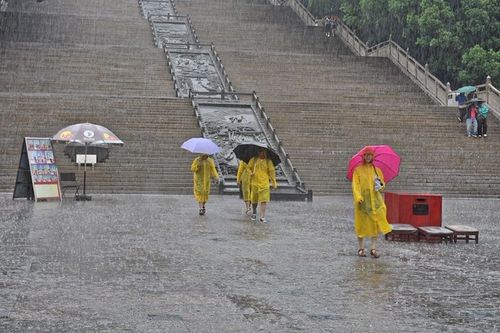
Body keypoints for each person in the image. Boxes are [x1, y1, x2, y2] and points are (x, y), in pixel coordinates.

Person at [351, 147, 392, 258]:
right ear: (363, 156)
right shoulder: (358, 170)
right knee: (361, 224)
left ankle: (373, 248)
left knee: (375, 224)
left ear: (373, 156)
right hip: (363, 202)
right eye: (366, 155)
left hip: (376, 202)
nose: (368, 157)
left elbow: (382, 187)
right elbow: (356, 186)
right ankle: (361, 248)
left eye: (370, 155)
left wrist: (380, 185)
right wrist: (358, 197)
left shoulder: (377, 171)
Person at [247, 149, 277, 223]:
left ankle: (262, 216)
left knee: (264, 200)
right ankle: (254, 212)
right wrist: (251, 173)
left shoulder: (268, 161)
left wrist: (274, 182)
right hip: (255, 183)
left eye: (263, 152)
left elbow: (272, 171)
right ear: (258, 152)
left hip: (264, 183)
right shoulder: (253, 160)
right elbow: (248, 168)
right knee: (254, 200)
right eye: (260, 151)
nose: (262, 153)